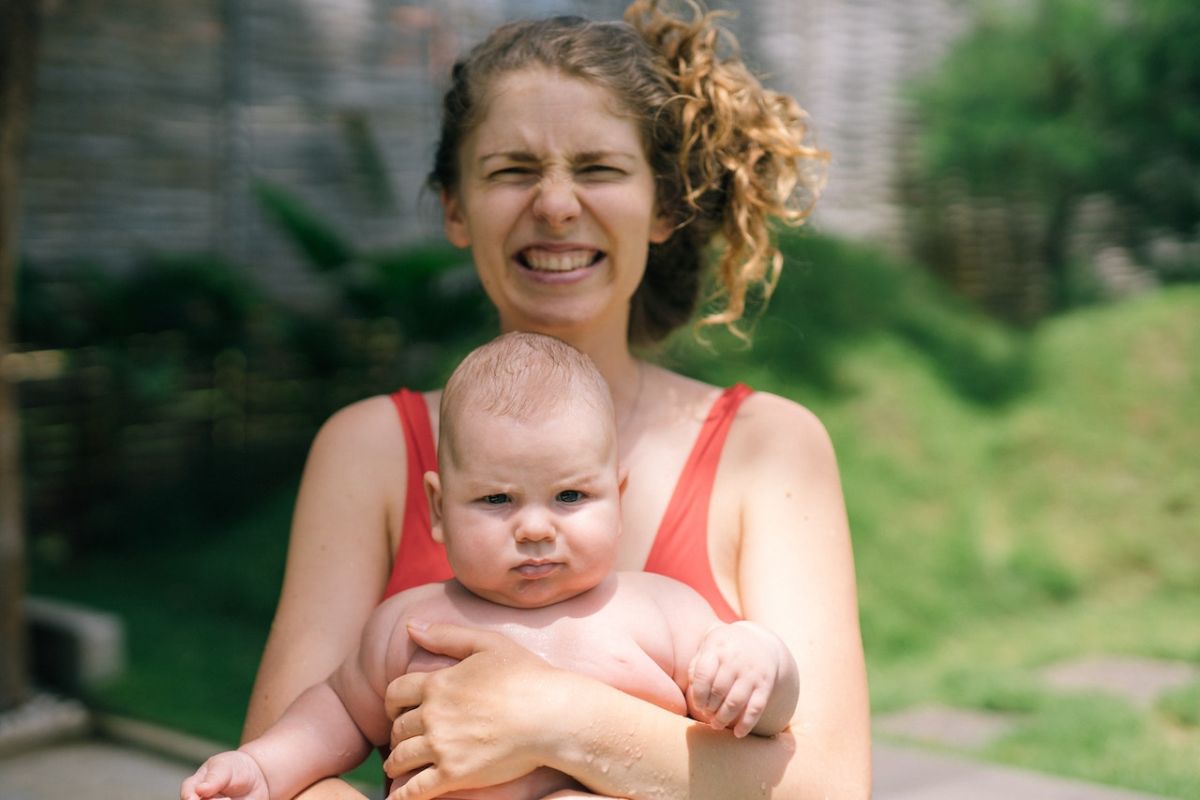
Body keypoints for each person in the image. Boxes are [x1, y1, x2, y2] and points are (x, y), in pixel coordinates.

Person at [243, 1, 871, 798]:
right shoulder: (367, 449)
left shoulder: (769, 448)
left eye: (599, 168)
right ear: (455, 209)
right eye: (512, 170)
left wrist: (554, 718)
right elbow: (279, 771)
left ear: (665, 207)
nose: (557, 206)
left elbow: (829, 787)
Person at [183, 332, 799, 800]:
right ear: (439, 510)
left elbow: (764, 721)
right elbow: (337, 712)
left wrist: (760, 661)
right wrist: (262, 767)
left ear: (619, 499)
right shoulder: (410, 625)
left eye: (570, 497)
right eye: (497, 499)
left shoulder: (659, 610)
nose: (534, 528)